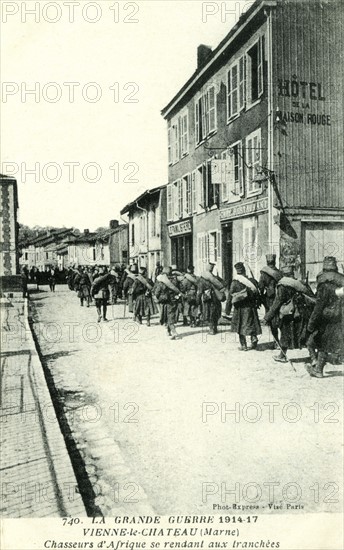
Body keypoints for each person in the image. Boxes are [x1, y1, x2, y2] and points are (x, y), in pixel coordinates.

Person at [265, 264, 314, 363]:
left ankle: (282, 356)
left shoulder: (282, 285)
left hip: (288, 314)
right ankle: (314, 357)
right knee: (305, 335)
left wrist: (267, 317)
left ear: (283, 274)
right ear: (292, 274)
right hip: (301, 313)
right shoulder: (300, 283)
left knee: (285, 334)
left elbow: (277, 302)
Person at [306, 257, 344, 378]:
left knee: (321, 342)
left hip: (326, 317)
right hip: (339, 317)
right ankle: (317, 365)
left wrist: (311, 323)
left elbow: (318, 307)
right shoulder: (341, 281)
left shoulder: (324, 285)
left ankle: (318, 369)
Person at [227, 262, 261, 350]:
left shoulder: (234, 282)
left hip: (240, 308)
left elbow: (230, 297)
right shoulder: (252, 281)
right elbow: (257, 292)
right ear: (244, 270)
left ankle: (243, 345)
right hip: (251, 306)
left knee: (240, 326)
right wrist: (257, 303)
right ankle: (253, 338)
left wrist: (228, 309)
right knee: (251, 323)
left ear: (237, 271)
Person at [258, 254, 282, 346]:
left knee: (271, 319)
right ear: (274, 262)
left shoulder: (264, 273)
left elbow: (260, 286)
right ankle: (281, 341)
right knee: (280, 318)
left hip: (269, 299)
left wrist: (261, 296)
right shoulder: (279, 272)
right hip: (279, 297)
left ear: (267, 262)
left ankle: (276, 341)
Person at [154, 266, 183, 339]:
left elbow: (157, 292)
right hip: (174, 301)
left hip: (165, 302)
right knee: (171, 315)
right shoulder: (176, 280)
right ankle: (170, 331)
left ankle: (172, 332)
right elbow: (181, 288)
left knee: (169, 316)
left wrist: (159, 298)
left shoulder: (161, 281)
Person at [198, 262, 226, 335]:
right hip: (216, 297)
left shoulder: (202, 279)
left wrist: (198, 299)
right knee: (215, 312)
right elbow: (223, 283)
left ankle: (211, 329)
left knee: (209, 312)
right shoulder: (215, 278)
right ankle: (215, 328)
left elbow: (200, 291)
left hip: (208, 298)